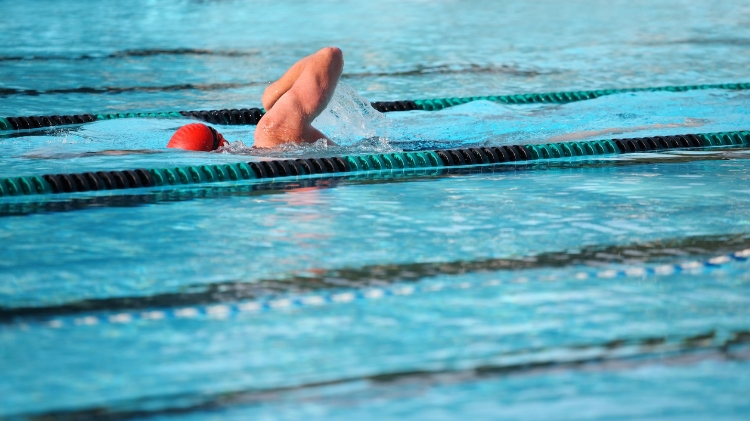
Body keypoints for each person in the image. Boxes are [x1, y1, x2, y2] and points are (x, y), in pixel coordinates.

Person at [167, 47, 343, 151]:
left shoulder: (273, 137)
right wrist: (277, 91)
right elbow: (329, 55)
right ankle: (272, 95)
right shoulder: (275, 129)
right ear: (222, 141)